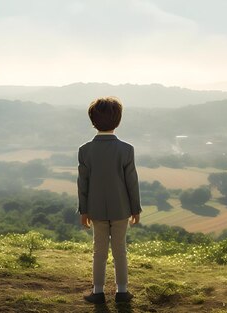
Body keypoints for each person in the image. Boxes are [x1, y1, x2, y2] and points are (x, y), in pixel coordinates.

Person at [76, 97, 142, 304]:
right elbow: (132, 182)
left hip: (95, 210)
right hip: (122, 209)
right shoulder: (126, 149)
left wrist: (84, 211)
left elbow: (82, 184)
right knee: (120, 249)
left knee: (99, 251)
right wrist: (136, 209)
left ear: (93, 121)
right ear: (118, 120)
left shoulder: (85, 150)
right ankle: (122, 291)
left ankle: (98, 292)